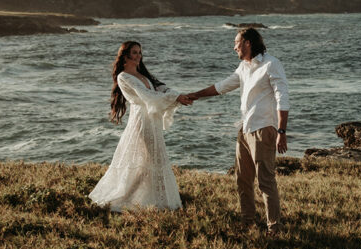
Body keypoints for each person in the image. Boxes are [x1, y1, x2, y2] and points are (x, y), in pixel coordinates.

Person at [187, 27, 289, 236]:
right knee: (242, 179)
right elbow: (222, 86)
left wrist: (281, 131)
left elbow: (282, 97)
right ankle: (248, 221)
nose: (234, 47)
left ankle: (274, 228)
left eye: (237, 43)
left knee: (265, 181)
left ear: (248, 43)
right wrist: (194, 95)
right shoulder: (243, 67)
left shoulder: (271, 64)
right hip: (245, 128)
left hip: (263, 128)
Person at [89, 41, 192, 212]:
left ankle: (147, 197)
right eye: (135, 53)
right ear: (125, 56)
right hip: (141, 122)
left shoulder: (143, 75)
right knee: (152, 159)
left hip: (153, 121)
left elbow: (161, 89)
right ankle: (135, 199)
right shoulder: (124, 77)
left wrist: (180, 96)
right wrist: (176, 98)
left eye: (140, 53)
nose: (138, 56)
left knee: (151, 160)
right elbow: (148, 96)